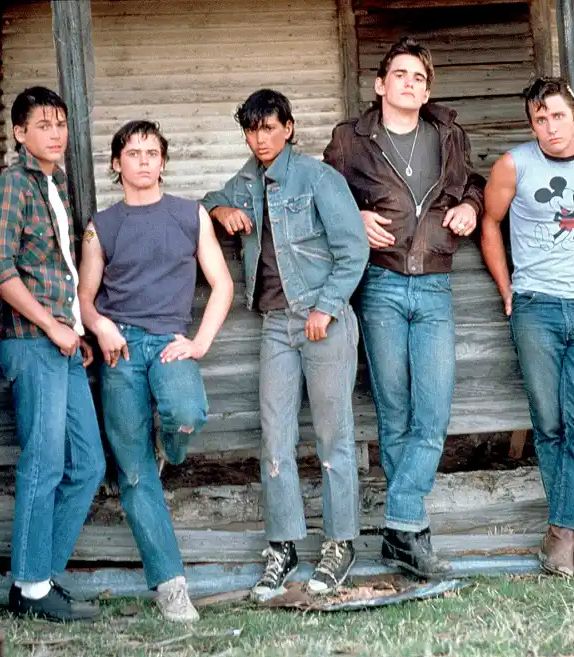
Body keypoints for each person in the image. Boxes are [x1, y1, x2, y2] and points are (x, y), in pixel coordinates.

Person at [323, 37, 485, 578]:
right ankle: (409, 538)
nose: (410, 84)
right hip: (382, 285)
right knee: (393, 414)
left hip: (435, 284)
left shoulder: (448, 134)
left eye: (419, 77)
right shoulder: (351, 139)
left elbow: (476, 185)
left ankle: (401, 521)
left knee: (432, 412)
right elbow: (322, 197)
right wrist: (353, 217)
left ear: (427, 88)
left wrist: (468, 205)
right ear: (380, 84)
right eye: (400, 75)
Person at [203, 89, 368, 599]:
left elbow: (353, 249)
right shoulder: (247, 180)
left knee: (332, 436)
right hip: (276, 323)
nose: (261, 139)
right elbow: (209, 199)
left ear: (289, 128)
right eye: (252, 131)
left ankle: (340, 542)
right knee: (274, 437)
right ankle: (283, 544)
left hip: (324, 320)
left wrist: (324, 307)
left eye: (270, 128)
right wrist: (221, 212)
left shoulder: (319, 178)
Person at [77, 119, 233, 621]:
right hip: (119, 349)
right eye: (133, 152)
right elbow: (84, 297)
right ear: (117, 164)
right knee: (135, 473)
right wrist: (100, 326)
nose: (143, 161)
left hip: (170, 342)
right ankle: (170, 585)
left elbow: (222, 284)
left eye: (152, 153)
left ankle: (174, 445)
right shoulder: (102, 224)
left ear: (163, 162)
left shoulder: (191, 215)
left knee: (187, 413)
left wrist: (199, 342)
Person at [480, 77, 574, 576]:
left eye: (557, 116)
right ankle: (572, 539)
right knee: (549, 424)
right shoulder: (513, 165)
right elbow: (489, 222)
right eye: (540, 119)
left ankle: (562, 534)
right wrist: (507, 288)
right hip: (535, 305)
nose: (549, 127)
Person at [0, 86, 105, 620]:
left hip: (61, 343)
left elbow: (60, 272)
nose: (55, 133)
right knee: (44, 464)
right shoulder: (12, 187)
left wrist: (72, 332)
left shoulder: (55, 187)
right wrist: (53, 327)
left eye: (61, 124)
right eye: (43, 124)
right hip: (32, 344)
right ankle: (32, 586)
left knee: (89, 464)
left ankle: (38, 577)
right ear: (19, 133)